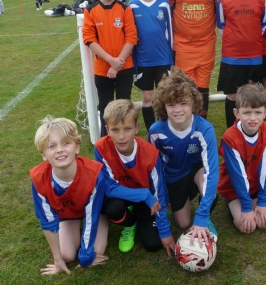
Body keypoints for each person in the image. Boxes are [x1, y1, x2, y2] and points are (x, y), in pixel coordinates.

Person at [30, 116, 161, 276]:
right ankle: (73, 229)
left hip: (94, 213)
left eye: (66, 143)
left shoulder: (93, 175)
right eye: (52, 146)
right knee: (67, 255)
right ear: (43, 155)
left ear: (77, 147)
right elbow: (47, 221)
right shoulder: (39, 179)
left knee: (96, 251)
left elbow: (91, 217)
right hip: (68, 214)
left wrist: (86, 257)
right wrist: (58, 259)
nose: (59, 150)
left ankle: (107, 224)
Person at [156, 0, 230, 119]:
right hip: (182, 47)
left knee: (203, 88)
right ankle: (184, 124)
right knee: (184, 88)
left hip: (206, 46)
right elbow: (152, 1)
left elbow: (231, 2)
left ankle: (200, 124)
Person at [94, 99, 175, 256]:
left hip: (146, 201)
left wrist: (165, 230)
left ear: (137, 128)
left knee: (153, 244)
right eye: (115, 130)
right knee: (112, 208)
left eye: (127, 129)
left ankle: (138, 213)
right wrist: (143, 194)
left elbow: (158, 193)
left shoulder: (150, 154)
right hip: (124, 197)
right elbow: (108, 187)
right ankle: (129, 223)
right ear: (107, 129)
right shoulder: (101, 148)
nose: (121, 136)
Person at [148, 67, 219, 245]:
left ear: (193, 103)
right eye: (171, 105)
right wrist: (165, 196)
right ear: (163, 106)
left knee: (208, 186)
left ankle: (205, 217)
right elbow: (155, 171)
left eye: (183, 103)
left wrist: (201, 216)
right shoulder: (156, 132)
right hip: (174, 176)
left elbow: (212, 172)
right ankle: (183, 197)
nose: (177, 110)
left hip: (196, 170)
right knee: (183, 223)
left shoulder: (204, 129)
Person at [82, 0, 137, 136]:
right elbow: (89, 39)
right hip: (102, 69)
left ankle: (126, 139)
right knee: (105, 107)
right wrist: (111, 61)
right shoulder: (90, 10)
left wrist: (117, 63)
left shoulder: (125, 9)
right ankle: (105, 141)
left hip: (124, 67)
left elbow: (131, 38)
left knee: (124, 106)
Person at [217, 83, 266, 233]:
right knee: (247, 227)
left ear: (265, 112)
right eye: (247, 112)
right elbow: (237, 175)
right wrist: (246, 207)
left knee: (263, 223)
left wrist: (262, 200)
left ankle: (252, 201)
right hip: (233, 188)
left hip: (255, 186)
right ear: (236, 113)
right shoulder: (230, 138)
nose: (253, 118)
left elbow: (264, 169)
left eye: (258, 112)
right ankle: (231, 202)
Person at [216, 0, 266, 128]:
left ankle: (252, 130)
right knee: (232, 96)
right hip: (232, 57)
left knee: (254, 97)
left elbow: (263, 25)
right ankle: (232, 132)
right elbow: (221, 26)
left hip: (254, 57)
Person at [128, 0, 173, 131]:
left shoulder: (164, 4)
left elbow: (170, 33)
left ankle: (165, 130)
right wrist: (134, 62)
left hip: (163, 59)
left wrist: (171, 59)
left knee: (164, 97)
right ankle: (151, 131)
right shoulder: (132, 6)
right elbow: (130, 36)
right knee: (147, 97)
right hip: (143, 61)